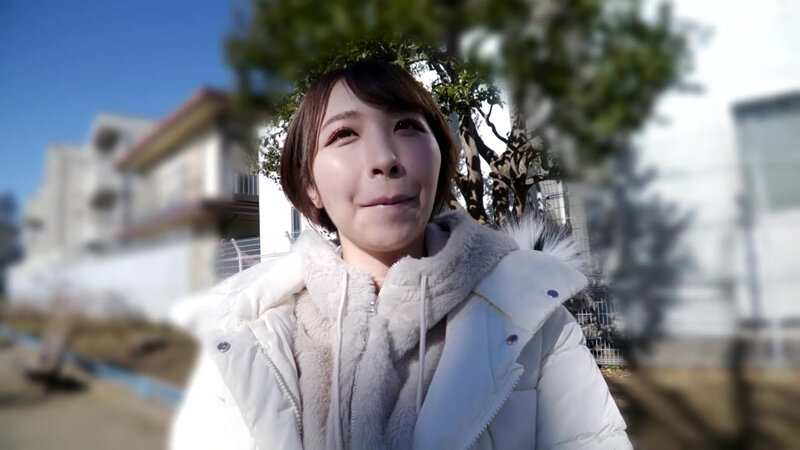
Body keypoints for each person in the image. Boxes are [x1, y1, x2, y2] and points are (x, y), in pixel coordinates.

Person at [169, 59, 631, 449]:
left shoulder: (535, 320)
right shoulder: (241, 334)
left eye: (407, 126)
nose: (385, 158)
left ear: (440, 157)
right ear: (309, 184)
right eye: (344, 134)